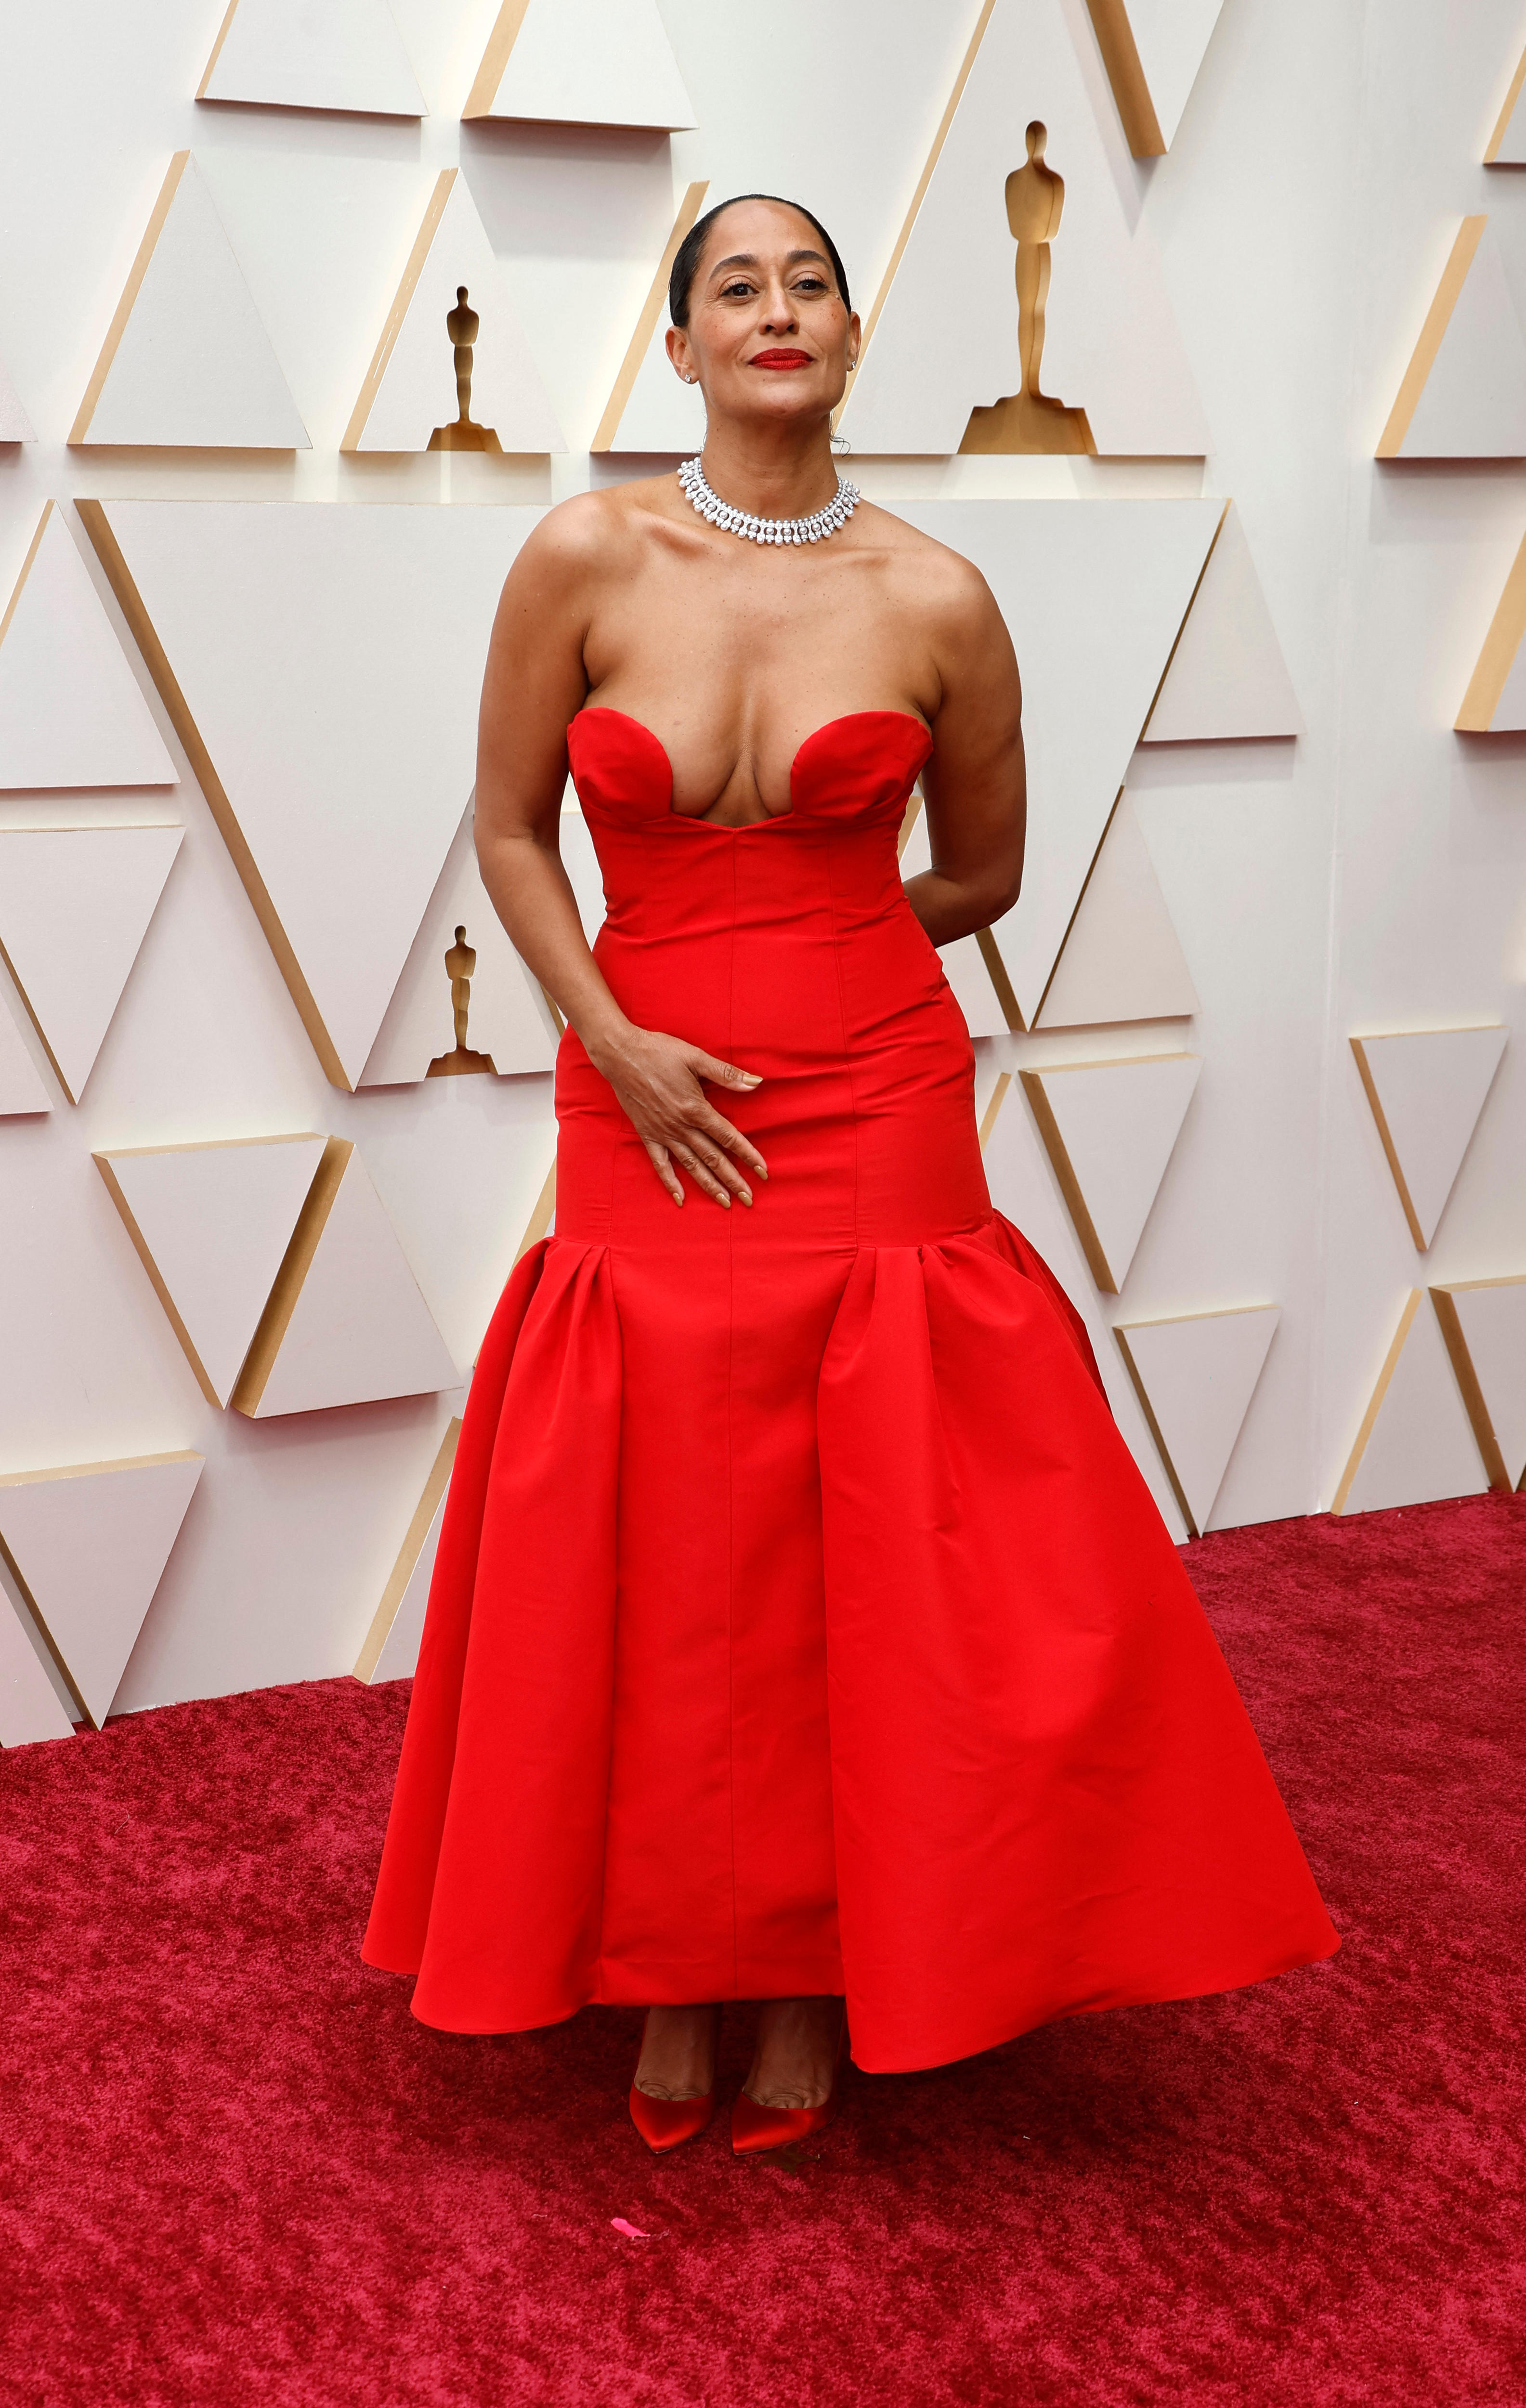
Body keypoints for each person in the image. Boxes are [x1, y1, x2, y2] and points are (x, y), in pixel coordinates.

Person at [362, 195, 1338, 2156]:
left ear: (852, 332)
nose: (775, 309)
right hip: (636, 1086)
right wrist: (619, 1036)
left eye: (807, 280)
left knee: (858, 1514)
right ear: (681, 340)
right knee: (660, 1503)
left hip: (869, 1084)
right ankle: (671, 1957)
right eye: (736, 284)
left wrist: (815, 956)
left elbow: (979, 872)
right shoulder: (581, 553)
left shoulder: (936, 596)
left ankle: (810, 1963)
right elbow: (510, 831)